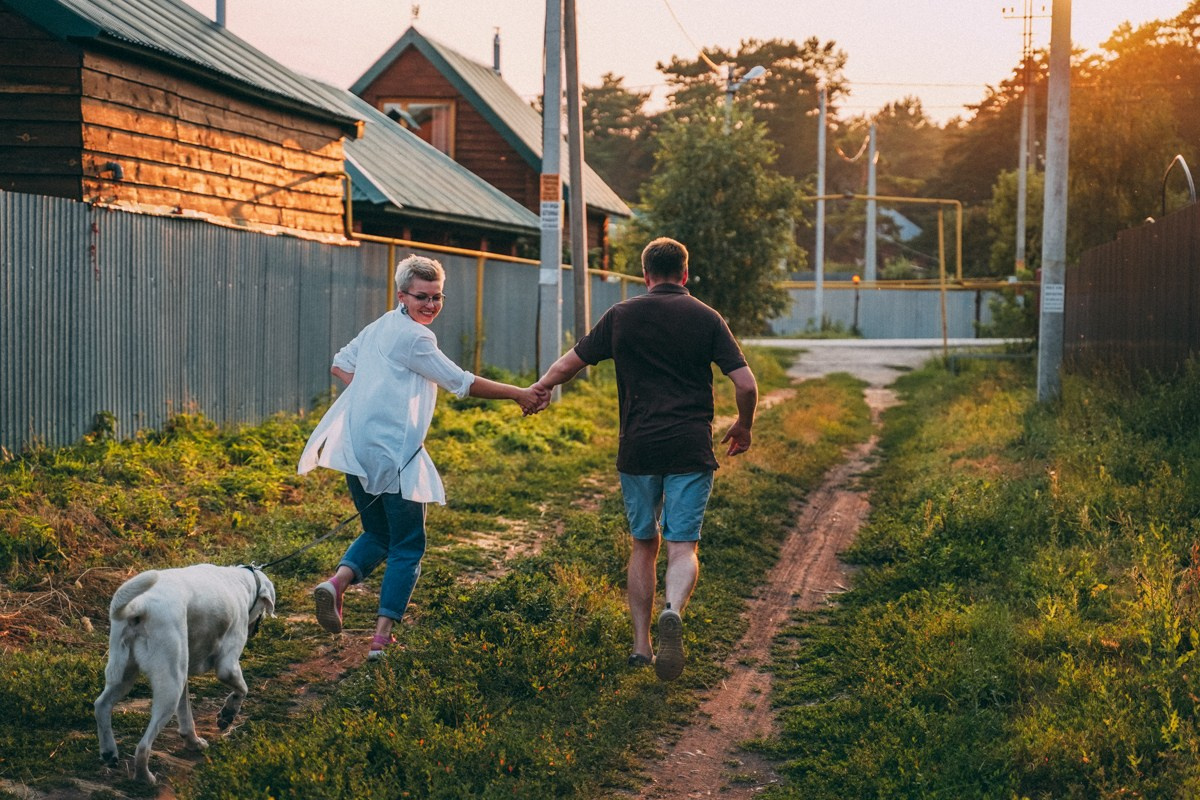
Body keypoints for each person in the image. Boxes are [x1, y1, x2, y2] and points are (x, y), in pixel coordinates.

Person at [297, 254, 547, 659]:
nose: (430, 305)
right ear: (402, 295)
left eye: (437, 297)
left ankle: (336, 583)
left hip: (357, 448)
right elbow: (461, 382)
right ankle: (381, 638)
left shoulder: (381, 325)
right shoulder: (416, 337)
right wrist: (519, 393)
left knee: (378, 533)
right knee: (408, 545)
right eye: (422, 297)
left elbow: (340, 364)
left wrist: (374, 392)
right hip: (395, 454)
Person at [532, 237, 758, 681]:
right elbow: (746, 384)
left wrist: (539, 390)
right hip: (689, 447)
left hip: (638, 448)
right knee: (683, 544)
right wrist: (744, 425)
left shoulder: (621, 315)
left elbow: (569, 365)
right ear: (685, 274)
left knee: (643, 543)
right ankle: (672, 609)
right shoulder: (707, 317)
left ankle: (641, 647)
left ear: (645, 275)